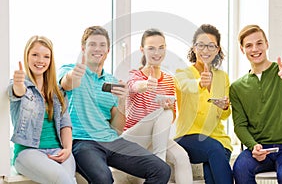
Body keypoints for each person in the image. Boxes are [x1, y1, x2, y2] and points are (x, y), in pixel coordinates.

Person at [58, 25, 171, 184]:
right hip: (82, 142)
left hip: (112, 141)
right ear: (83, 49)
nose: (98, 49)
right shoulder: (70, 70)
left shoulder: (111, 81)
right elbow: (67, 83)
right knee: (104, 179)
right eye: (92, 44)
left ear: (108, 50)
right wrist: (75, 74)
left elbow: (117, 128)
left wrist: (122, 101)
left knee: (161, 170)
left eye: (102, 45)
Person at [230, 24, 282, 184]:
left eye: (259, 43)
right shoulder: (237, 87)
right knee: (240, 168)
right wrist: (253, 146)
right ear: (242, 49)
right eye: (249, 45)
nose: (255, 49)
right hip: (259, 149)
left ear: (267, 44)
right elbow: (240, 125)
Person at [122, 29, 193, 184]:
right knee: (162, 112)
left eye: (161, 47)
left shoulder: (168, 80)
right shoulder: (135, 74)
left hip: (157, 138)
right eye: (151, 48)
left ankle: (158, 163)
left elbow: (172, 115)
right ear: (142, 50)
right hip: (134, 139)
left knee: (182, 157)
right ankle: (159, 163)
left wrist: (168, 108)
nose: (157, 52)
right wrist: (146, 84)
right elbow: (133, 86)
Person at [8, 35, 76, 184]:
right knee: (64, 180)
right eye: (35, 55)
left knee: (69, 179)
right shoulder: (20, 85)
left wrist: (67, 149)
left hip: (57, 150)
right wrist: (19, 83)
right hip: (28, 152)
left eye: (46, 56)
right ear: (27, 56)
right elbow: (17, 91)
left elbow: (66, 124)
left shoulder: (57, 91)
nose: (41, 60)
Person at [174, 24, 233, 184]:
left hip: (218, 138)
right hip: (188, 136)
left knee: (212, 173)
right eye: (201, 45)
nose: (205, 50)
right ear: (194, 48)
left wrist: (225, 107)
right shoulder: (182, 73)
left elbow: (225, 115)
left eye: (211, 46)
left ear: (217, 50)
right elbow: (185, 85)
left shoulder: (222, 77)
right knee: (214, 149)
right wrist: (200, 83)